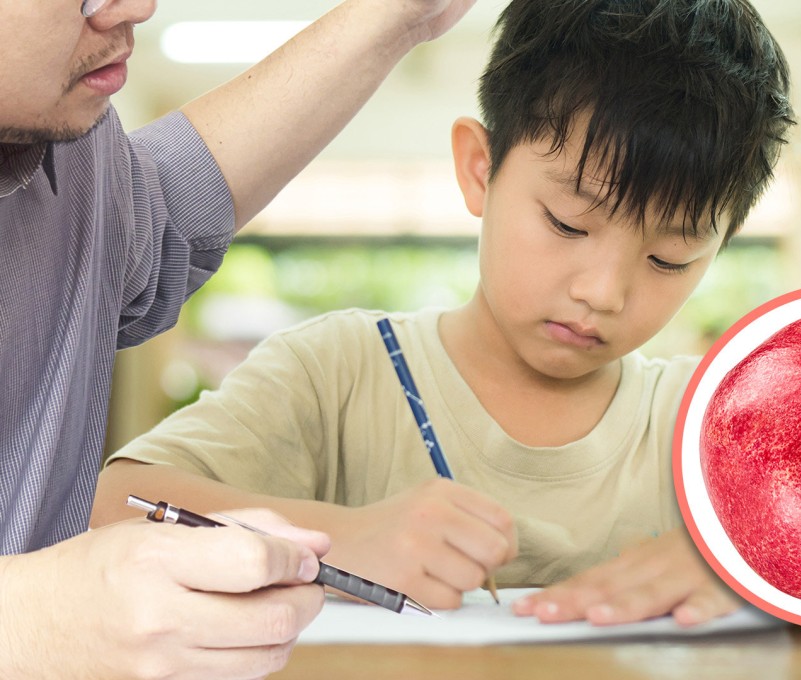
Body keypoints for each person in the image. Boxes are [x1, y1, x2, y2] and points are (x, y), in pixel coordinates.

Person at [92, 0, 794, 627]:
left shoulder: (714, 422)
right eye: (567, 224)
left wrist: (750, 567)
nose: (603, 292)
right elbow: (111, 506)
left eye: (670, 259)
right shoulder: (335, 375)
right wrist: (341, 537)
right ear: (479, 169)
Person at [0, 0, 479, 677]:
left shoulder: (70, 152)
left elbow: (155, 217)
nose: (135, 7)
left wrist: (399, 17)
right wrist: (30, 621)